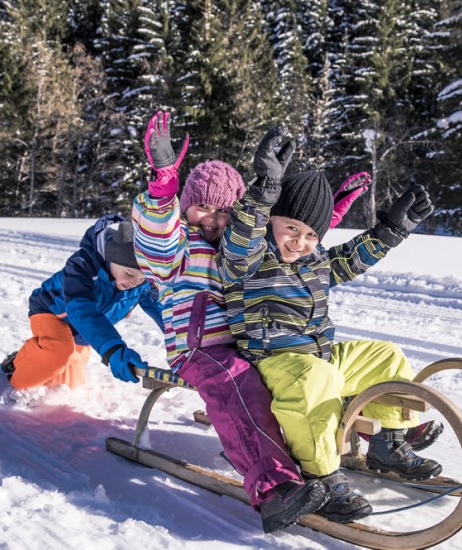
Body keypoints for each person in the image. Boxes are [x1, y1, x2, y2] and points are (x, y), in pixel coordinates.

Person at [218, 127, 444, 524]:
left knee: (386, 356)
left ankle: (388, 442)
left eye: (310, 235)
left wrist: (389, 232)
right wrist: (266, 189)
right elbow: (241, 235)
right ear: (271, 221)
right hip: (271, 365)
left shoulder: (315, 261)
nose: (299, 242)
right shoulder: (248, 258)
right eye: (291, 228)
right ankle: (321, 474)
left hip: (317, 359)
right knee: (314, 378)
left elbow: (349, 258)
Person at [129, 111, 327, 533]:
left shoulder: (239, 247)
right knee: (238, 383)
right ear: (187, 207)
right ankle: (274, 490)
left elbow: (287, 244)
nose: (214, 218)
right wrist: (163, 183)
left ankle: (319, 456)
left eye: (224, 210)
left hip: (246, 345)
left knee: (295, 376)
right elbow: (154, 239)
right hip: (198, 350)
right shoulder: (179, 247)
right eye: (203, 206)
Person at [1, 214, 163, 390]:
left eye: (143, 278)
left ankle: (33, 356)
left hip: (84, 329)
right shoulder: (82, 266)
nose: (135, 282)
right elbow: (81, 309)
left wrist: (186, 339)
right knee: (56, 354)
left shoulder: (141, 282)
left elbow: (162, 309)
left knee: (66, 384)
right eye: (130, 274)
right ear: (111, 258)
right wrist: (113, 348)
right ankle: (16, 375)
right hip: (53, 312)